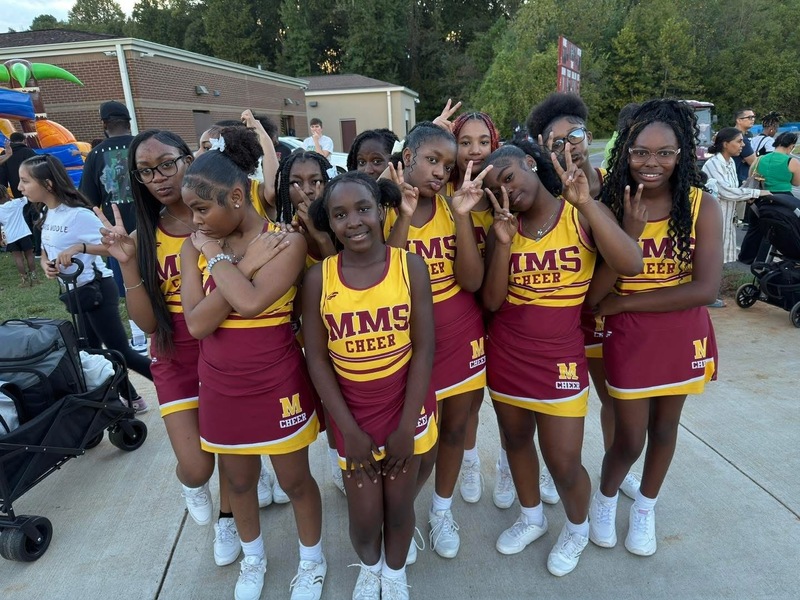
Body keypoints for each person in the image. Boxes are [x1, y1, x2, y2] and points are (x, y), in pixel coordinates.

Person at [97, 128, 280, 566]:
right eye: (145, 171)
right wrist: (127, 263)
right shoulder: (146, 233)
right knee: (198, 466)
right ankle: (195, 483)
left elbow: (271, 196)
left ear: (188, 158)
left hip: (228, 343)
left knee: (235, 454)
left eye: (166, 164)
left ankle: (227, 517)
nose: (159, 177)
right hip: (176, 352)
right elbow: (144, 321)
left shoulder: (235, 205)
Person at [481, 143, 642, 576]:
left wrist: (588, 204)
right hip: (507, 355)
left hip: (561, 360)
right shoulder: (504, 227)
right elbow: (493, 301)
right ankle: (531, 517)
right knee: (515, 442)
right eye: (496, 189)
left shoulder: (578, 211)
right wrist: (500, 243)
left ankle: (576, 529)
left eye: (509, 177)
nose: (507, 192)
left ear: (530, 164)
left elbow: (631, 262)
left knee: (564, 462)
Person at [180, 126, 326, 600]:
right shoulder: (195, 247)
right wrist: (234, 263)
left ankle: (311, 562)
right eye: (190, 210)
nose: (194, 220)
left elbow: (249, 304)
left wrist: (220, 263)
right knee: (239, 483)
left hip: (276, 381)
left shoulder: (287, 242)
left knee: (296, 480)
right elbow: (199, 325)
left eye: (202, 208)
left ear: (238, 197)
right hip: (221, 385)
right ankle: (254, 558)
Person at [589, 99, 722, 558]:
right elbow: (594, 291)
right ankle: (605, 500)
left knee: (666, 429)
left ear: (682, 153)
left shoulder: (702, 205)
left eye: (665, 152)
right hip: (630, 340)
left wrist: (626, 302)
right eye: (641, 152)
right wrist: (627, 232)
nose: (652, 163)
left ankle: (645, 507)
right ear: (625, 152)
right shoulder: (611, 202)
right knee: (628, 436)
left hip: (680, 334)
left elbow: (705, 288)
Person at [303, 171, 437, 600]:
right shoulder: (319, 278)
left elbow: (424, 349)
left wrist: (406, 426)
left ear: (381, 211)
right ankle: (371, 566)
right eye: (340, 215)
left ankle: (394, 576)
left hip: (405, 406)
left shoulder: (409, 265)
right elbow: (318, 360)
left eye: (362, 209)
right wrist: (349, 431)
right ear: (330, 222)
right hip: (352, 413)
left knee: (399, 508)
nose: (354, 221)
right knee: (364, 518)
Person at [384, 122, 488, 560]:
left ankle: (441, 511)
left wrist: (462, 216)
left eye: (448, 164)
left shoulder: (451, 207)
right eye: (432, 160)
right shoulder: (384, 206)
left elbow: (471, 279)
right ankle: (401, 514)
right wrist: (405, 215)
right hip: (408, 341)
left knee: (457, 429)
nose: (441, 171)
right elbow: (384, 279)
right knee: (415, 440)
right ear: (407, 157)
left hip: (460, 330)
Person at [19, 154, 152, 412]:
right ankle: (130, 399)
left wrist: (80, 247)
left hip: (98, 291)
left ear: (47, 183)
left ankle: (180, 389)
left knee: (119, 350)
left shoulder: (78, 214)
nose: (21, 187)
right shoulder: (47, 212)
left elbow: (111, 248)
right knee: (92, 353)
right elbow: (48, 249)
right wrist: (48, 264)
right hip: (76, 295)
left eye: (25, 181)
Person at [432, 102, 509, 508]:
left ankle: (472, 457)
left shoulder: (503, 192)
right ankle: (466, 458)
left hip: (496, 309)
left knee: (474, 401)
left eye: (483, 141)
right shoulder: (440, 193)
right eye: (464, 142)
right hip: (455, 311)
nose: (474, 150)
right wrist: (432, 129)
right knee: (451, 403)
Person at [274, 150, 343, 493]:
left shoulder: (343, 223)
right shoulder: (277, 232)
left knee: (343, 400)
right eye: (296, 183)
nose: (308, 190)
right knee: (316, 402)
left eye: (316, 181)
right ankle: (332, 464)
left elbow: (347, 280)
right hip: (302, 335)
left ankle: (342, 460)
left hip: (345, 332)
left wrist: (319, 236)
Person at [79, 100, 148, 353]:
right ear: (129, 121)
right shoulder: (145, 145)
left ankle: (140, 336)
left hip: (117, 234)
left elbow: (88, 199)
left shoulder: (95, 155)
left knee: (130, 283)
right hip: (152, 226)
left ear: (104, 124)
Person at [702, 127, 771, 265]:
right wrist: (757, 192)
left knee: (722, 261)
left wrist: (747, 191)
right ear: (725, 144)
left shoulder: (731, 162)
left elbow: (733, 189)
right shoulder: (714, 164)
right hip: (714, 219)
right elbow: (726, 191)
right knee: (711, 260)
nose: (743, 145)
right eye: (739, 141)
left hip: (728, 218)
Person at [0, 133, 40, 255]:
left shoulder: (4, 155)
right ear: (23, 140)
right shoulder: (28, 152)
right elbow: (37, 168)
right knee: (35, 215)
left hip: (16, 190)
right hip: (33, 189)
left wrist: (3, 190)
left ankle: (25, 243)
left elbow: (2, 173)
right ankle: (36, 244)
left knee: (21, 216)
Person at [0, 186, 40, 287]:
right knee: (29, 255)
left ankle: (24, 280)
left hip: (11, 237)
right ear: (6, 194)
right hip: (23, 234)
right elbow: (28, 197)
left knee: (18, 258)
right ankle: (34, 278)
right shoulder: (16, 203)